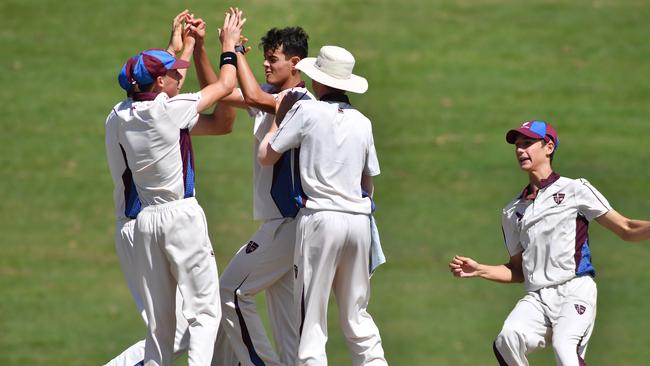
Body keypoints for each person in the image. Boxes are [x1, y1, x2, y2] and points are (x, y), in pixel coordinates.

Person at [449, 120, 650, 366]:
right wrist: (479, 269)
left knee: (564, 348)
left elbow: (627, 229)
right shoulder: (512, 211)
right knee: (506, 340)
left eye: (527, 144)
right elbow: (517, 270)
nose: (520, 150)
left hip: (575, 289)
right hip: (538, 297)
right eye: (517, 146)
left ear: (549, 147)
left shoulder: (575, 189)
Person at [107, 9, 244, 366]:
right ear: (159, 85)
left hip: (146, 221)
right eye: (171, 75)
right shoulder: (171, 112)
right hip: (178, 217)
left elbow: (156, 84)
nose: (179, 79)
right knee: (205, 314)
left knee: (159, 328)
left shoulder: (118, 116)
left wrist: (182, 47)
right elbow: (226, 87)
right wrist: (228, 48)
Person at [191, 13, 314, 365]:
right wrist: (206, 49)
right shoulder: (271, 97)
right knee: (288, 328)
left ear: (296, 62)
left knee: (230, 291)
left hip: (288, 223)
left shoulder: (299, 102)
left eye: (272, 58)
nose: (266, 63)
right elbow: (220, 91)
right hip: (283, 226)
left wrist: (235, 49)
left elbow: (254, 95)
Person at [258, 45, 388, 366]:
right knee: (357, 316)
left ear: (318, 82)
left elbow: (266, 155)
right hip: (358, 222)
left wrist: (279, 117)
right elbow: (368, 185)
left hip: (320, 218)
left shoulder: (307, 111)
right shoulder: (363, 121)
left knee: (311, 323)